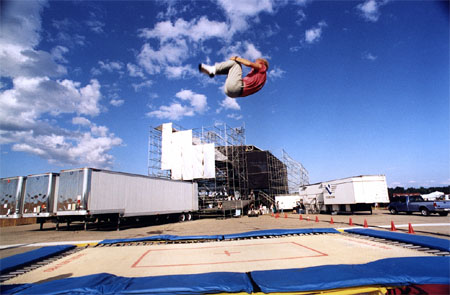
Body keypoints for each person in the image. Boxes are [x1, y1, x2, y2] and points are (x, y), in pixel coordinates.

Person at [199, 56, 269, 98]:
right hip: (233, 94)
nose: (255, 64)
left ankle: (212, 69)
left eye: (256, 62)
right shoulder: (262, 79)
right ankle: (213, 71)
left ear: (262, 63)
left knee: (236, 63)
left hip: (235, 87)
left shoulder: (262, 67)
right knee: (230, 69)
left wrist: (236, 58)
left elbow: (249, 64)